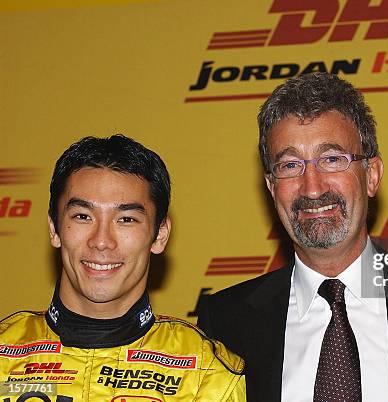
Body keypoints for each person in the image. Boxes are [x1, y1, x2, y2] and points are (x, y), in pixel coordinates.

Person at [198, 73, 388, 401]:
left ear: (371, 175)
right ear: (271, 187)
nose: (312, 187)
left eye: (332, 160)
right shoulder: (225, 321)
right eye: (290, 165)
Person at [0, 135, 246, 401]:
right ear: (54, 229)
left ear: (160, 234)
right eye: (83, 216)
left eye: (126, 219)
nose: (102, 241)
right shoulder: (5, 353)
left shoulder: (205, 374)